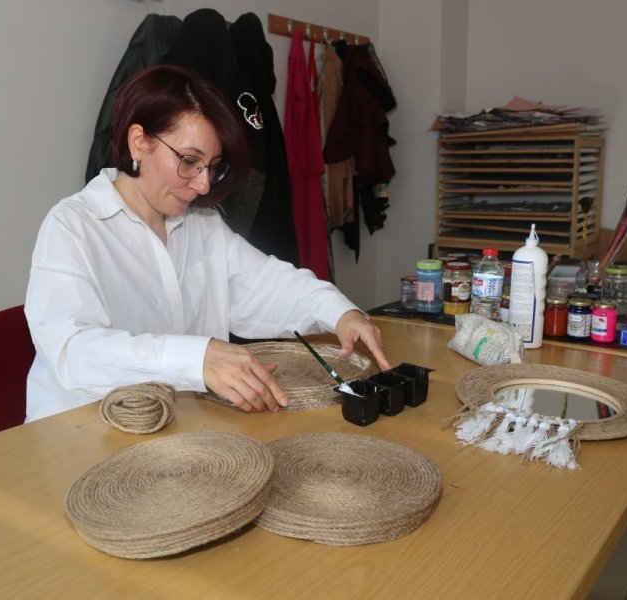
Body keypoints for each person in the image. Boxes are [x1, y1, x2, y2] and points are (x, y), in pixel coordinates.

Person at [24, 64, 390, 422]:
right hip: (77, 433)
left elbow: (269, 287)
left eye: (213, 166)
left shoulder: (201, 225)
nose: (203, 186)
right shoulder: (72, 227)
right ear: (139, 142)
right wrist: (198, 359)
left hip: (178, 429)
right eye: (189, 161)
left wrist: (339, 311)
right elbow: (74, 351)